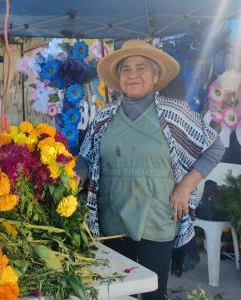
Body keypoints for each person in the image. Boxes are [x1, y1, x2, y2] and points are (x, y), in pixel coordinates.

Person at [75, 40, 225, 300]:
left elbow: (214, 147)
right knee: (115, 291)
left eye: (141, 68)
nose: (133, 74)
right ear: (118, 77)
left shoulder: (175, 113)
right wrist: (75, 175)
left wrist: (185, 186)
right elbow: (85, 157)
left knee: (153, 293)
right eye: (126, 69)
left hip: (157, 215)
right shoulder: (104, 116)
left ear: (155, 76)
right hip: (112, 217)